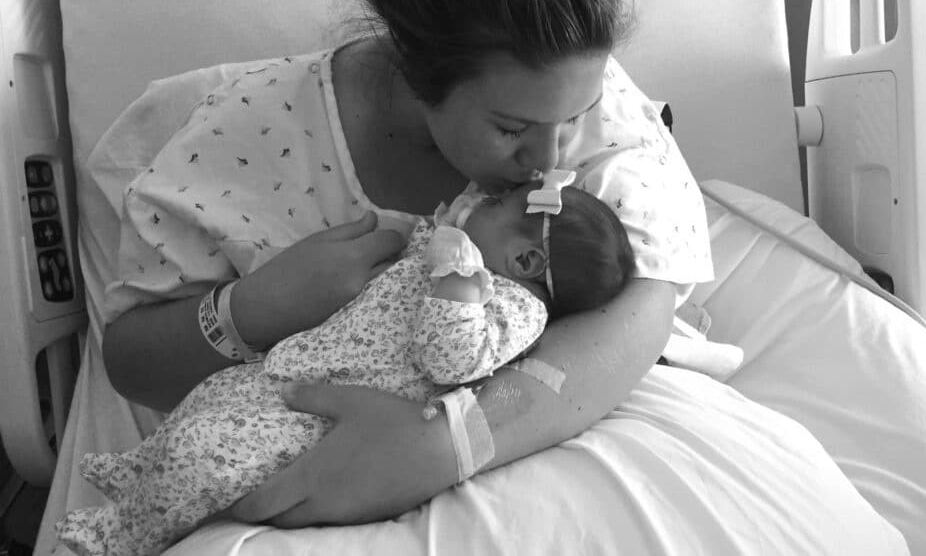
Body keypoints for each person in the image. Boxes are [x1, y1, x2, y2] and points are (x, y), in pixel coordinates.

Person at [98, 0, 713, 531]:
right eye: (512, 126)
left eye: (572, 119)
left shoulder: (581, 91)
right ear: (416, 70)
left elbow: (649, 299)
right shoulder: (249, 137)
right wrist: (248, 310)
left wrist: (449, 441)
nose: (551, 158)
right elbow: (130, 362)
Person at [57, 178, 635, 556]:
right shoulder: (458, 254)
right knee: (204, 407)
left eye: (497, 207)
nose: (480, 202)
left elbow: (451, 356)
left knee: (207, 459)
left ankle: (117, 538)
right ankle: (139, 476)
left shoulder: (512, 304)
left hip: (325, 420)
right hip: (294, 369)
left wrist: (458, 274)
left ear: (526, 259)